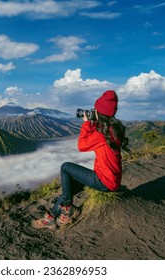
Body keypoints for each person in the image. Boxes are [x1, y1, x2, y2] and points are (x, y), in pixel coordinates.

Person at [32, 90, 128, 230]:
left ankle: (68, 209)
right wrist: (94, 122)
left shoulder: (101, 134)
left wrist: (87, 123)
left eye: (95, 110)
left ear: (99, 112)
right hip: (112, 179)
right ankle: (53, 216)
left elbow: (82, 146)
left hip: (104, 181)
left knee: (65, 167)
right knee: (68, 191)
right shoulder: (114, 129)